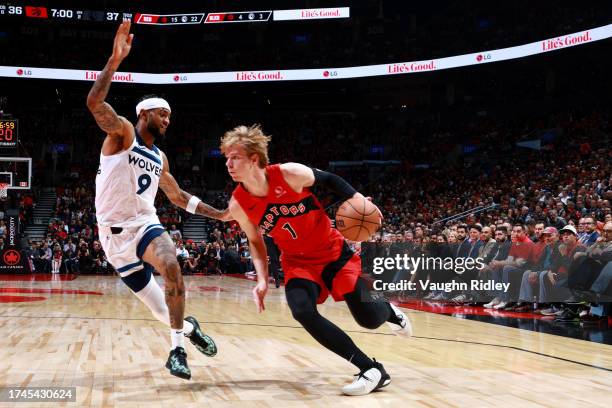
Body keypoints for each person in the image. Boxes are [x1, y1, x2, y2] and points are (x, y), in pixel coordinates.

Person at [220, 124, 412, 396]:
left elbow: (331, 180)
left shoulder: (289, 174)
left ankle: (389, 311)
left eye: (235, 156)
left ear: (254, 159)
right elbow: (255, 241)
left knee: (369, 320)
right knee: (301, 310)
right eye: (226, 157)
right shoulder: (238, 203)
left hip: (332, 253)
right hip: (297, 262)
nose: (228, 163)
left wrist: (359, 201)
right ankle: (371, 370)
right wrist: (262, 279)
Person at [86, 20, 230, 380]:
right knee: (160, 310)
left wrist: (223, 215)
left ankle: (177, 350)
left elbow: (178, 197)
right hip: (111, 238)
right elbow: (94, 102)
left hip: (144, 225)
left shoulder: (160, 158)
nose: (168, 119)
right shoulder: (123, 134)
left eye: (169, 115)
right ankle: (190, 330)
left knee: (171, 265)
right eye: (162, 113)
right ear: (144, 114)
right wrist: (115, 59)